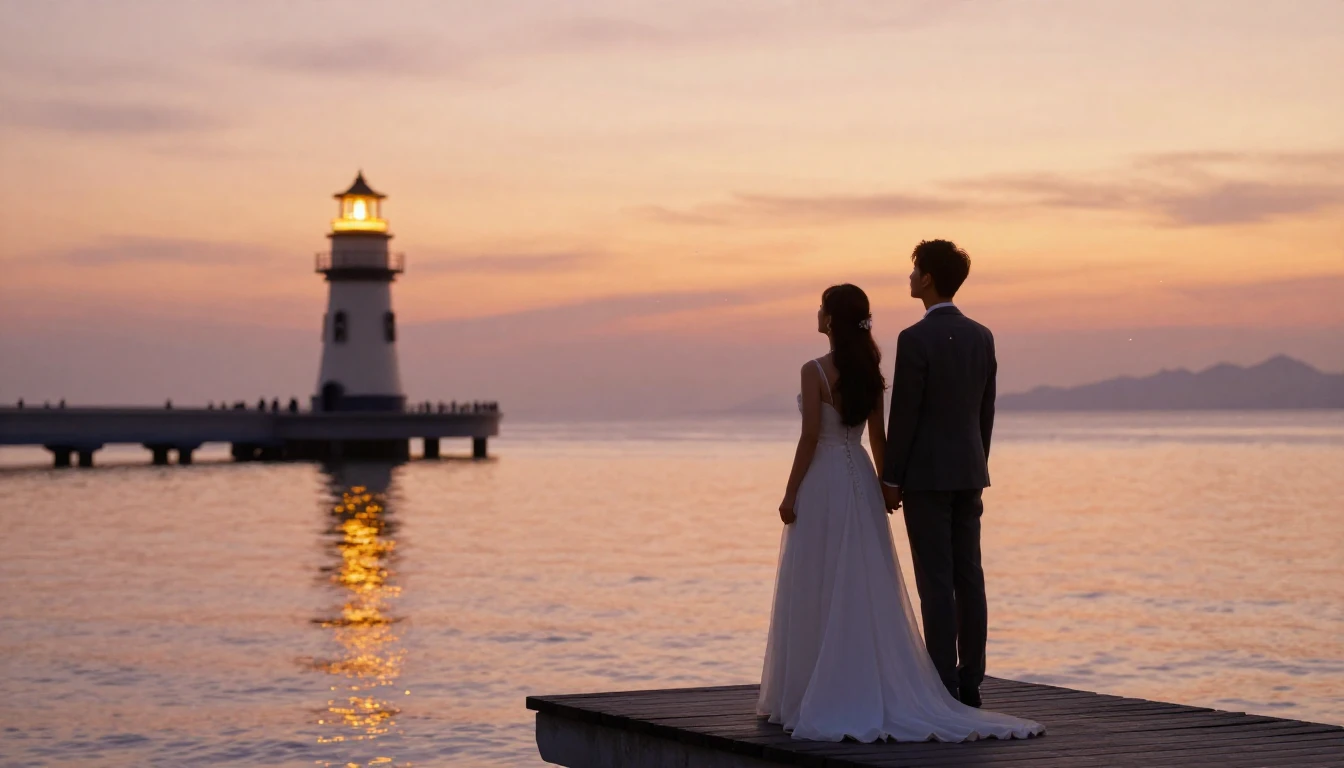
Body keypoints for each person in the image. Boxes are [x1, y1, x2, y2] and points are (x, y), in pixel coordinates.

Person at [757, 278, 1041, 743]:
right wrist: (887, 486)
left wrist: (790, 494)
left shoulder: (814, 370)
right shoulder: (871, 368)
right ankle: (893, 679)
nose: (817, 313)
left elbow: (810, 437)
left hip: (824, 481)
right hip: (862, 481)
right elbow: (877, 437)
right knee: (863, 584)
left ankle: (810, 689)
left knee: (817, 581)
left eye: (821, 307)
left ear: (831, 318)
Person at [882, 240, 999, 708]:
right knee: (969, 574)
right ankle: (971, 679)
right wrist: (978, 462)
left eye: (914, 270)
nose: (909, 277)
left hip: (927, 476)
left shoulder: (914, 339)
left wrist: (892, 476)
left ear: (928, 278)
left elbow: (905, 413)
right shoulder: (982, 335)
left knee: (935, 579)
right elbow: (984, 412)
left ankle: (941, 684)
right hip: (970, 471)